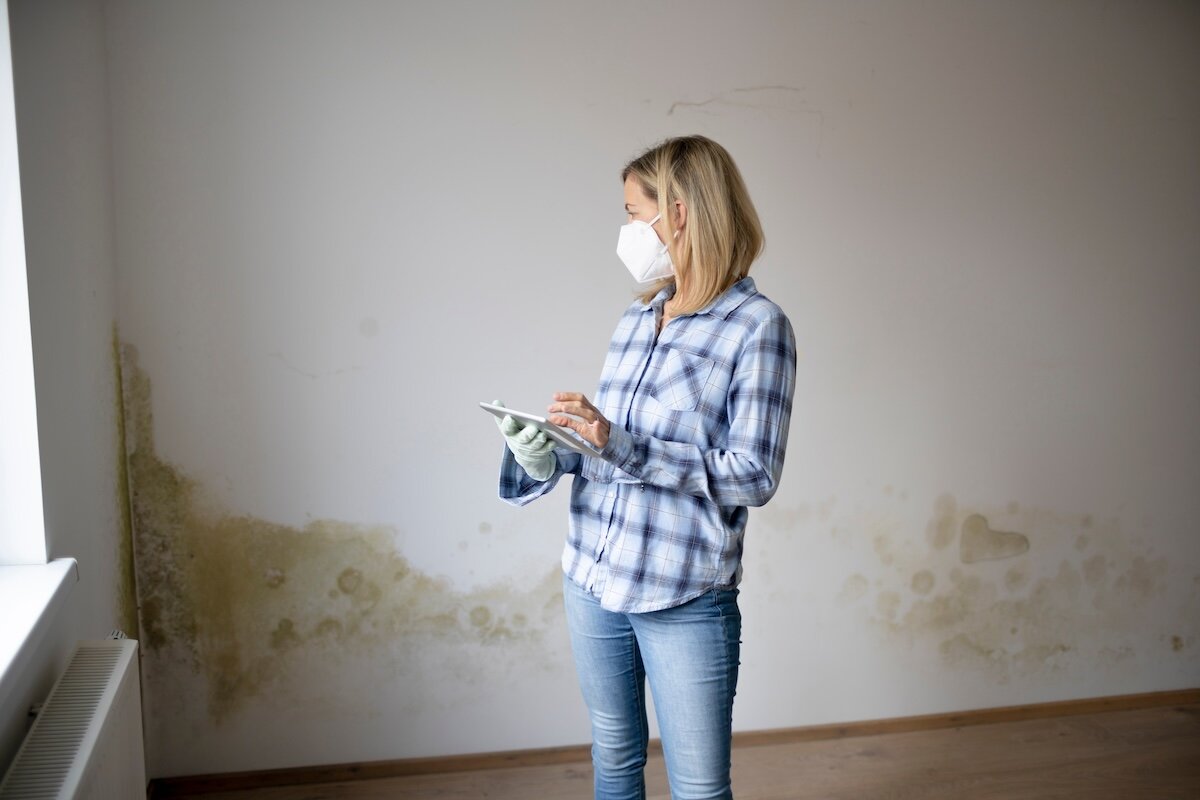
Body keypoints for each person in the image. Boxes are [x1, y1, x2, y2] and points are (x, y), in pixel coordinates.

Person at [494, 134, 796, 800]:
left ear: (679, 212)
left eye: (634, 211)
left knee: (697, 789)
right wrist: (546, 450)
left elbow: (754, 474)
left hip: (682, 592)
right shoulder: (636, 320)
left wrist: (620, 442)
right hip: (592, 576)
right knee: (613, 759)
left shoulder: (757, 328)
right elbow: (610, 456)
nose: (627, 228)